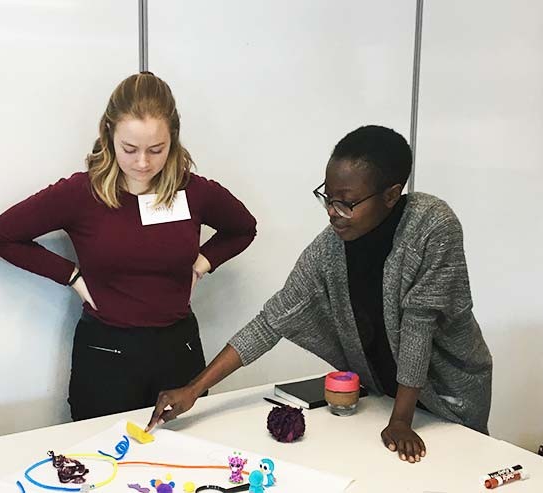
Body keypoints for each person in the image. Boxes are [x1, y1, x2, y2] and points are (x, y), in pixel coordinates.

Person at [147, 125, 493, 464]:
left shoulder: (431, 226)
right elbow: (271, 321)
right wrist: (193, 390)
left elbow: (419, 325)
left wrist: (401, 421)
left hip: (448, 396)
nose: (332, 213)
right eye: (327, 198)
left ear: (390, 195)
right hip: (386, 401)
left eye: (346, 203)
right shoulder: (330, 248)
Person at [0, 72, 257, 421]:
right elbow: (0, 236)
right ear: (108, 134)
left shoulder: (194, 192)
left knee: (188, 461)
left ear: (173, 139)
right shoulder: (81, 193)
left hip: (178, 353)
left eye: (156, 150)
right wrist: (71, 276)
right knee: (100, 463)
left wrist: (201, 265)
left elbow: (243, 228)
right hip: (105, 355)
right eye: (130, 149)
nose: (143, 162)